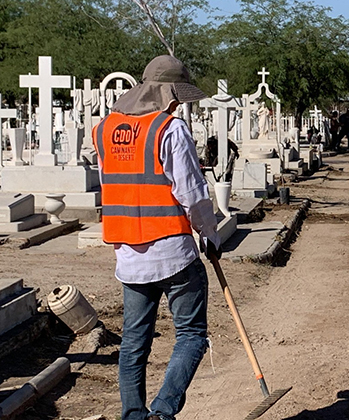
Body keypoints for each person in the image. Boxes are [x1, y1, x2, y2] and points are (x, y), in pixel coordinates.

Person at [93, 55, 221, 420]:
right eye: (177, 95)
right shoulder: (169, 128)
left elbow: (113, 183)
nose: (179, 103)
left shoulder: (104, 129)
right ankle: (163, 412)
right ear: (167, 93)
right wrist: (209, 233)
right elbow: (191, 192)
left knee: (134, 342)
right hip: (172, 249)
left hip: (129, 255)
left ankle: (133, 415)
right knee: (192, 334)